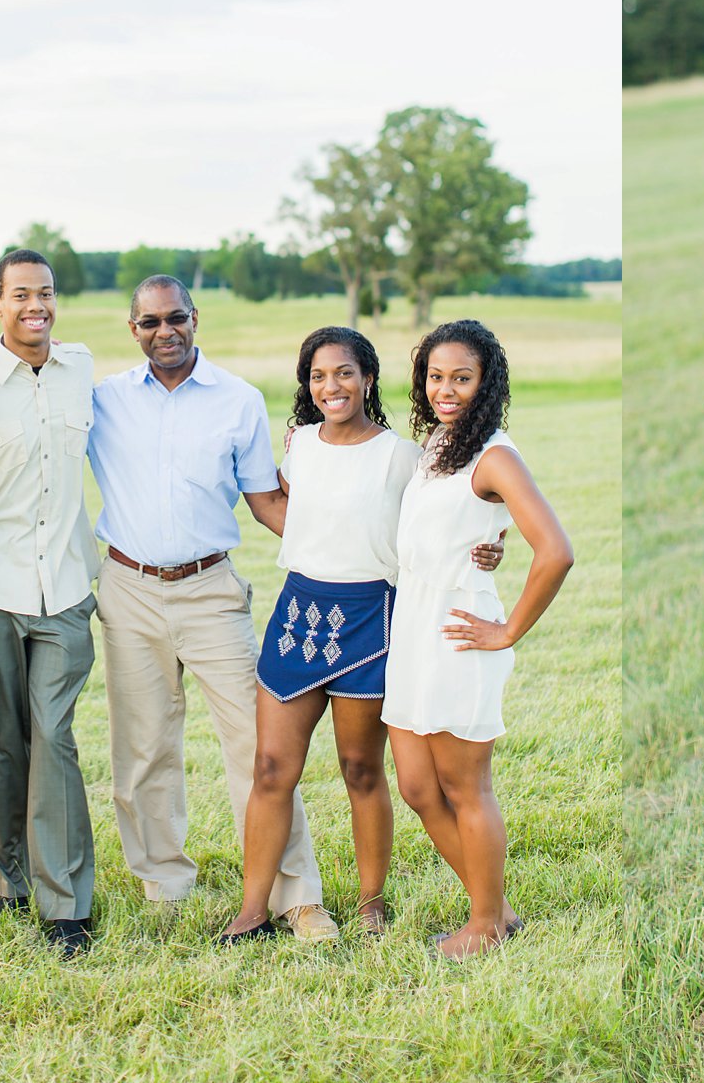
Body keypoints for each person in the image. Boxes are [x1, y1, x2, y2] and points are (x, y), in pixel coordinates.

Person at [220, 327, 503, 944]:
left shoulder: (403, 454)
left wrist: (490, 547)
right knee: (271, 768)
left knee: (361, 769)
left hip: (371, 619)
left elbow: (448, 515)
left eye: (344, 373)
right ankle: (252, 909)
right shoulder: (299, 448)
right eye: (319, 377)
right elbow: (299, 511)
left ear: (368, 378)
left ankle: (372, 902)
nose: (332, 387)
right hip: (299, 613)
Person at [84, 277, 334, 942]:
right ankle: (164, 881)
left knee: (260, 746)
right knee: (142, 747)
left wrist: (359, 537)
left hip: (210, 588)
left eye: (175, 318)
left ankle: (296, 895)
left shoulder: (238, 400)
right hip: (129, 587)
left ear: (196, 318)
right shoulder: (102, 399)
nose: (164, 332)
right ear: (131, 328)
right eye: (149, 322)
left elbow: (266, 502)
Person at [382, 319, 575, 958]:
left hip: (461, 633)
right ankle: (497, 909)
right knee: (415, 786)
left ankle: (486, 924)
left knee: (467, 787)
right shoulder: (440, 445)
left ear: (485, 383)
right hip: (412, 631)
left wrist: (508, 630)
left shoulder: (494, 454)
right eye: (436, 377)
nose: (446, 389)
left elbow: (557, 551)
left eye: (461, 378)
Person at [0, 249, 98, 957]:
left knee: (55, 738)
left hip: (66, 588)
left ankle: (63, 899)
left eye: (45, 293)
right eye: (20, 295)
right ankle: (2, 880)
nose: (35, 305)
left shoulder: (84, 368)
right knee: (1, 741)